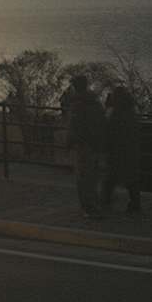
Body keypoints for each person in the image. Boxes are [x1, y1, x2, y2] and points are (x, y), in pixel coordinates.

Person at [67, 72, 108, 218]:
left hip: (82, 145)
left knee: (83, 177)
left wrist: (70, 141)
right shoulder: (95, 102)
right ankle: (94, 203)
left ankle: (87, 207)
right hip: (95, 144)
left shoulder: (77, 104)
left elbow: (74, 125)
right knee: (93, 176)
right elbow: (103, 121)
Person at [101, 85, 142, 215]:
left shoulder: (116, 113)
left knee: (111, 177)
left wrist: (106, 146)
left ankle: (105, 200)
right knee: (130, 178)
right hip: (129, 150)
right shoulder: (131, 112)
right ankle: (135, 203)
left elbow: (109, 131)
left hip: (117, 150)